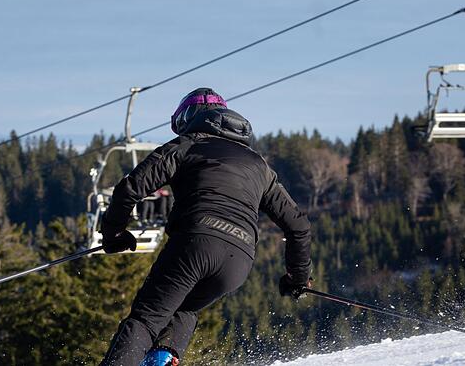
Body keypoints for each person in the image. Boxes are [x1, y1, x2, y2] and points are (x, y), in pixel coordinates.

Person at [99, 88, 312, 366]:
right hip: (239, 261)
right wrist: (298, 278)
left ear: (189, 119)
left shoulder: (187, 144)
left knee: (145, 319)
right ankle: (161, 359)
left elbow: (130, 188)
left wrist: (114, 232)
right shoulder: (260, 167)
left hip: (195, 242)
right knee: (185, 306)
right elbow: (298, 227)